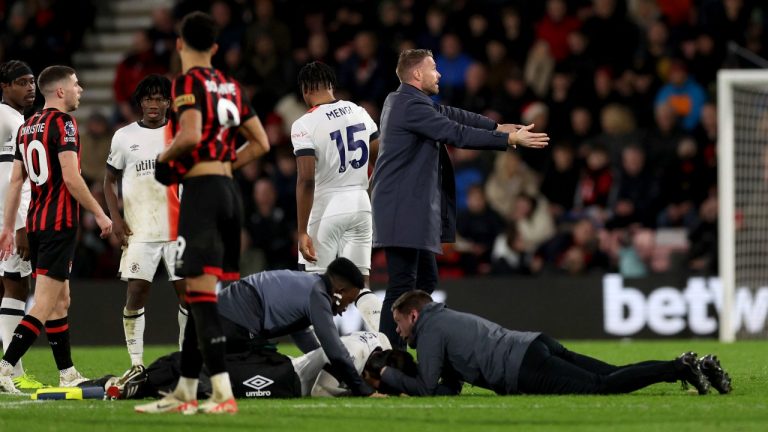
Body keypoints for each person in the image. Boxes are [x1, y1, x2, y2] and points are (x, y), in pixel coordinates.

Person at [370, 48, 549, 348]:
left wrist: (495, 126)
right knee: (402, 286)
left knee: (425, 283)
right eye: (433, 68)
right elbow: (455, 133)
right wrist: (508, 139)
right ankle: (388, 358)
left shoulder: (406, 101)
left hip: (409, 208)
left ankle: (414, 343)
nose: (438, 74)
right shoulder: (408, 106)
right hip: (401, 208)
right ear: (417, 74)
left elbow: (452, 114)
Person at [137, 11, 269, 415]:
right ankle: (186, 392)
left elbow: (191, 134)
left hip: (203, 194)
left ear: (180, 44)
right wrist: (227, 165)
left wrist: (166, 156)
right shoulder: (230, 84)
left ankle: (223, 394)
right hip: (229, 192)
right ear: (214, 47)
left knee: (201, 298)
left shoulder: (187, 82)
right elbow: (261, 143)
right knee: (200, 295)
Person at [368, 290, 732, 397]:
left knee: (601, 387)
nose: (398, 333)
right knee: (612, 374)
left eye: (399, 324)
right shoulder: (444, 318)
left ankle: (679, 368)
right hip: (536, 344)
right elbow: (449, 387)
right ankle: (682, 366)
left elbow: (428, 387)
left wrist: (388, 374)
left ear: (413, 316)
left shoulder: (429, 331)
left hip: (523, 366)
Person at [0, 65, 113, 394]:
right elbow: (71, 177)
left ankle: (67, 372)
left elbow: (16, 181)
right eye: (76, 85)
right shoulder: (63, 124)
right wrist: (101, 214)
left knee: (61, 300)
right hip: (57, 223)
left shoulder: (28, 126)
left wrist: (9, 227)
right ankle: (6, 367)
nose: (81, 91)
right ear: (60, 91)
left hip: (34, 223)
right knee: (46, 302)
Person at [103, 74, 188, 388]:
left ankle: (185, 360)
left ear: (168, 102)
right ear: (140, 103)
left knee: (188, 296)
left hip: (178, 229)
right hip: (140, 230)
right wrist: (115, 217)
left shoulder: (180, 133)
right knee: (137, 292)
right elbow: (109, 181)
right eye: (148, 99)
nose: (154, 105)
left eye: (159, 99)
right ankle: (136, 363)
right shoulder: (124, 137)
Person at [211, 257, 383, 399]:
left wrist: (322, 362)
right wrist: (363, 389)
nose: (345, 309)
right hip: (233, 320)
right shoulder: (318, 295)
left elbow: (303, 335)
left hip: (227, 314)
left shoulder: (311, 285)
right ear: (340, 291)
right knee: (271, 377)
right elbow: (335, 350)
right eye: (348, 302)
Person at [291, 61, 381, 333]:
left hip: (326, 207)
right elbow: (380, 156)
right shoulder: (360, 112)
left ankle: (324, 360)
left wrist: (303, 231)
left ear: (306, 90)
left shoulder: (304, 124)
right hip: (360, 203)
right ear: (331, 85)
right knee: (360, 285)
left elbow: (306, 179)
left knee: (316, 290)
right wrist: (364, 185)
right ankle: (382, 344)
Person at [107, 330, 391, 400]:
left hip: (283, 367)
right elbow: (320, 392)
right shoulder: (354, 355)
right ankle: (144, 383)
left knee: (214, 367)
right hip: (283, 376)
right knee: (224, 379)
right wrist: (360, 391)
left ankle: (141, 381)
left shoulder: (377, 341)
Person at [0, 60, 44, 390]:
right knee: (16, 287)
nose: (30, 87)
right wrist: (18, 224)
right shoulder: (10, 122)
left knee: (11, 287)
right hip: (10, 218)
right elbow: (8, 179)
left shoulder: (16, 119)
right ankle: (11, 370)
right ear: (5, 86)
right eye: (21, 82)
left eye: (32, 81)